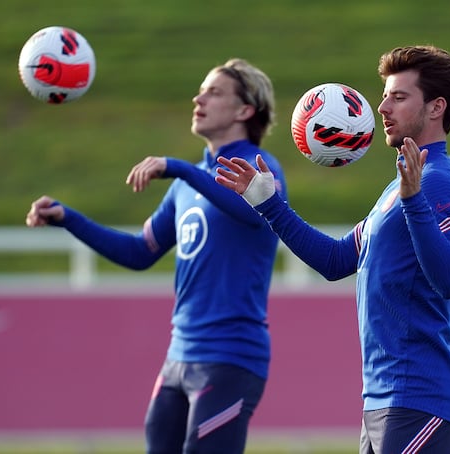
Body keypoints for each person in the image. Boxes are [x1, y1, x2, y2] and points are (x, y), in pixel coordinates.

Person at [25, 58, 287, 454]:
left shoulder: (259, 169)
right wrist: (68, 218)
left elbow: (255, 210)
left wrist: (181, 169)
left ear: (244, 110)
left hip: (231, 357)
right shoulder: (188, 183)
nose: (198, 98)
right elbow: (139, 252)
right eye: (201, 90)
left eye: (214, 92)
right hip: (178, 356)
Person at [215, 45, 450, 453]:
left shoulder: (436, 181)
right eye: (384, 95)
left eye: (398, 97)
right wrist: (268, 203)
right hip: (383, 397)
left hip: (418, 394)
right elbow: (336, 262)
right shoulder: (399, 186)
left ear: (436, 107)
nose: (382, 107)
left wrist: (414, 200)